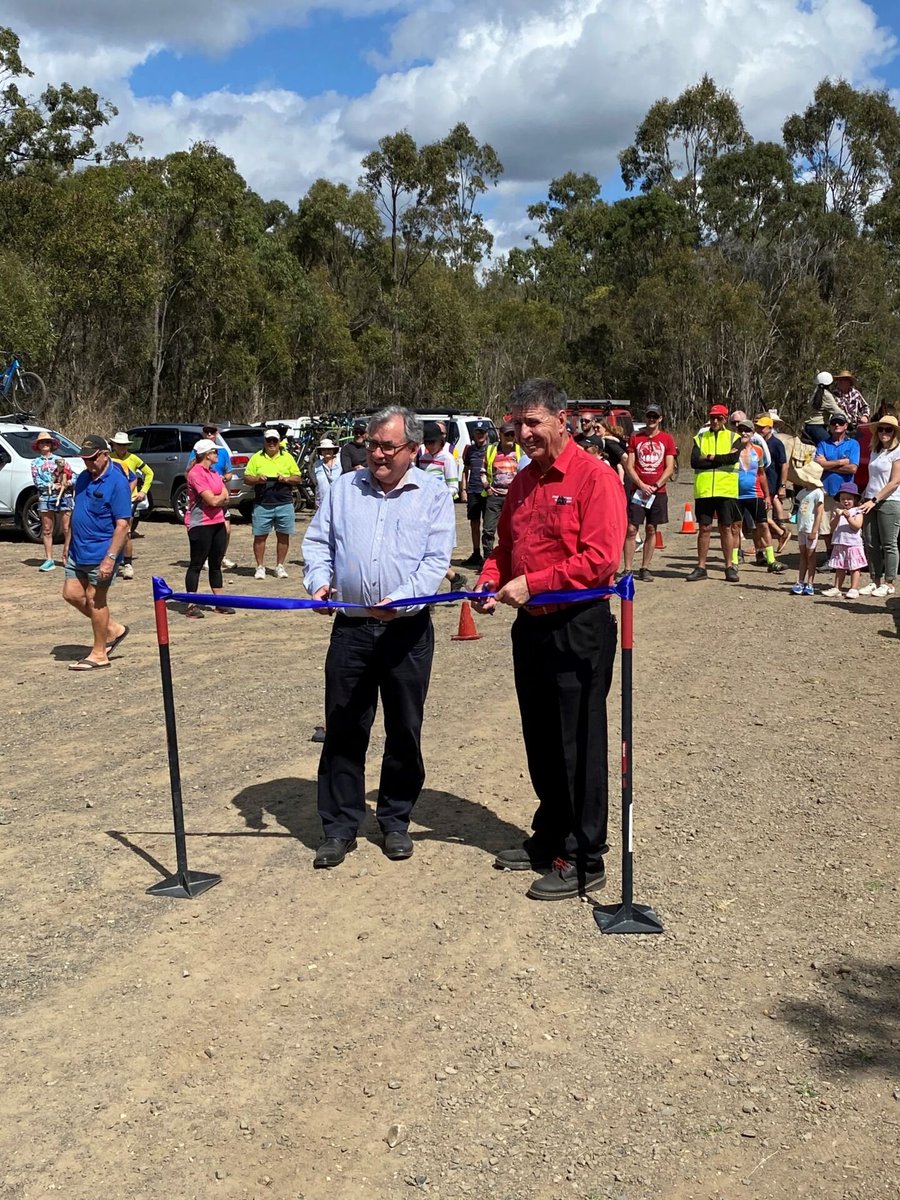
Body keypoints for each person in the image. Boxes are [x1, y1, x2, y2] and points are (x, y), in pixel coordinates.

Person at [474, 378, 626, 901]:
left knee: (578, 743)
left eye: (533, 422)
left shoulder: (596, 479)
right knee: (540, 737)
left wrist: (533, 583)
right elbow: (505, 547)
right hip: (531, 628)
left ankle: (586, 856)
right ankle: (550, 836)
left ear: (564, 420)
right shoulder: (521, 482)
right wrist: (489, 580)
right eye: (517, 423)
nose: (523, 433)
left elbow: (600, 560)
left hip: (577, 626)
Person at [302, 405, 455, 870]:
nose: (378, 454)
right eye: (372, 444)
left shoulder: (432, 492)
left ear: (412, 448)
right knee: (345, 727)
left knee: (404, 728)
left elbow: (435, 560)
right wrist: (319, 581)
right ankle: (339, 827)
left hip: (406, 631)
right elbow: (317, 543)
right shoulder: (345, 488)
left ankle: (394, 821)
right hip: (350, 628)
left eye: (388, 446)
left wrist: (403, 600)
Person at [63, 435, 131, 671]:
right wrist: (67, 543)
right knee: (71, 594)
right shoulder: (83, 478)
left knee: (95, 599)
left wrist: (110, 558)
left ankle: (100, 653)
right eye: (84, 459)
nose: (88, 463)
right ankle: (113, 629)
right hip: (77, 549)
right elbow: (76, 512)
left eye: (92, 458)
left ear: (105, 454)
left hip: (102, 552)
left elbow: (123, 524)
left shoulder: (117, 482)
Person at [687, 404, 742, 582]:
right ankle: (701, 567)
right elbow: (695, 461)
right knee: (704, 528)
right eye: (712, 418)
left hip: (725, 489)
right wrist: (720, 459)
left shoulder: (734, 437)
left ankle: (729, 567)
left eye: (719, 418)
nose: (715, 421)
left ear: (725, 419)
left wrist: (709, 457)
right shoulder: (700, 436)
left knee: (726, 528)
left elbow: (732, 459)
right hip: (704, 491)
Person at [182, 439, 235, 618]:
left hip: (218, 521)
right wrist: (217, 498)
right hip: (201, 523)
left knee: (216, 563)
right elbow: (211, 500)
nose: (217, 455)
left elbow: (225, 496)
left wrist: (217, 498)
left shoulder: (212, 472)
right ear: (206, 454)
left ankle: (219, 602)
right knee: (196, 564)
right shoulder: (196, 473)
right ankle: (191, 604)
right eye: (215, 452)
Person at [623, 403, 676, 581]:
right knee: (631, 528)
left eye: (655, 416)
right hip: (638, 491)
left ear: (660, 418)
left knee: (652, 528)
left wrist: (656, 485)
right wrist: (641, 484)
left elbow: (669, 467)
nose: (651, 420)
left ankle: (645, 567)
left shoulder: (667, 439)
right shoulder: (636, 438)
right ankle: (628, 568)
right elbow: (629, 466)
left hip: (658, 491)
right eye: (649, 416)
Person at [243, 429, 302, 580]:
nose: (271, 443)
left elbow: (297, 478)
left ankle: (280, 566)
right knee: (260, 536)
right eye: (268, 440)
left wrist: (286, 479)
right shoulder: (256, 458)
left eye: (274, 441)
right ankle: (260, 567)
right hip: (262, 503)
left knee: (283, 536)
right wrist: (257, 479)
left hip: (284, 502)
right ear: (264, 441)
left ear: (279, 442)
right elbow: (247, 478)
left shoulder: (287, 457)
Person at [416, 422, 467, 589]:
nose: (429, 446)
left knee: (434, 553)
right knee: (423, 553)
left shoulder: (448, 459)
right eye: (427, 442)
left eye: (432, 442)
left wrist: (437, 499)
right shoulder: (422, 458)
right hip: (423, 511)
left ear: (441, 442)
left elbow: (453, 487)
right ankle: (453, 578)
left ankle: (433, 594)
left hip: (440, 511)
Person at [859, 414, 900, 598]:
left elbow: (894, 482)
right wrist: (865, 497)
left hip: (889, 501)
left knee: (888, 543)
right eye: (881, 429)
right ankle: (875, 580)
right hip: (870, 499)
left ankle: (889, 582)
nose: (884, 432)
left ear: (894, 432)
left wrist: (874, 500)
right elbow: (873, 478)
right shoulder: (875, 450)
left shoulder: (897, 452)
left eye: (888, 429)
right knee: (870, 541)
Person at [735, 418, 783, 573]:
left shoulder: (758, 450)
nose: (743, 433)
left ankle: (771, 560)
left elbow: (762, 473)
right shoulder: (732, 450)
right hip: (735, 494)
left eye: (747, 430)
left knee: (762, 525)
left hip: (755, 494)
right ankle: (734, 560)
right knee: (735, 527)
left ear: (752, 433)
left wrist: (767, 496)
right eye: (740, 430)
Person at [109, 432, 154, 580]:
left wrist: (143, 491)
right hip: (111, 499)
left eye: (125, 445)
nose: (122, 448)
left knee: (126, 532)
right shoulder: (109, 458)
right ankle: (113, 561)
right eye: (119, 445)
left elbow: (149, 473)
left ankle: (128, 564)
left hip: (130, 500)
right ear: (114, 445)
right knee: (111, 531)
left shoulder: (133, 458)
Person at [814, 413, 860, 550]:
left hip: (846, 493)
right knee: (826, 527)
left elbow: (852, 468)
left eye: (840, 423)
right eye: (834, 423)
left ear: (846, 426)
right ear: (829, 426)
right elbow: (818, 465)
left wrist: (828, 465)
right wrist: (840, 462)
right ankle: (830, 555)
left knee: (845, 525)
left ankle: (845, 555)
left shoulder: (853, 444)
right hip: (826, 491)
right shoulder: (823, 444)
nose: (837, 425)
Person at [30, 430, 73, 571]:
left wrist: (68, 483)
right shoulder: (35, 463)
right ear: (38, 445)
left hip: (64, 495)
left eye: (47, 442)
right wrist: (53, 485)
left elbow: (71, 475)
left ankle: (67, 555)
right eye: (42, 442)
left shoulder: (61, 460)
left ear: (52, 444)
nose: (45, 444)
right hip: (45, 497)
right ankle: (49, 559)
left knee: (67, 528)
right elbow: (37, 481)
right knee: (47, 529)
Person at [198, 422, 237, 569]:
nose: (209, 435)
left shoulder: (223, 452)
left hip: (220, 494)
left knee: (226, 529)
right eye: (206, 432)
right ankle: (207, 557)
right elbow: (190, 471)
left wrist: (224, 479)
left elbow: (229, 473)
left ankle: (222, 556)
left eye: (212, 432)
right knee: (208, 530)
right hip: (206, 498)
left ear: (216, 434)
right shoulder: (198, 452)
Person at [481, 420, 521, 557]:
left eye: (512, 434)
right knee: (488, 529)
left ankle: (511, 558)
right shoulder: (491, 451)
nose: (510, 437)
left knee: (514, 529)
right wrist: (487, 488)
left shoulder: (520, 451)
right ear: (500, 435)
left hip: (513, 497)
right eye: (507, 434)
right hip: (494, 496)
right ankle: (487, 558)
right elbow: (483, 471)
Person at [822, 481, 866, 598]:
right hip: (840, 542)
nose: (846, 501)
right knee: (839, 566)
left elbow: (857, 526)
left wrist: (848, 517)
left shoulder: (857, 511)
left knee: (854, 567)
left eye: (849, 499)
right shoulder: (837, 511)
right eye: (843, 499)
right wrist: (837, 516)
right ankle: (837, 587)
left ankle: (854, 588)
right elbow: (832, 526)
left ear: (855, 499)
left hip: (853, 544)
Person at [789, 461, 825, 596]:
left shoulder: (818, 493)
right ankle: (800, 581)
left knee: (811, 555)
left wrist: (815, 530)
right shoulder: (803, 492)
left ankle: (810, 583)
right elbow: (799, 508)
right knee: (803, 555)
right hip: (801, 527)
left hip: (810, 528)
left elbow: (819, 513)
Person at [754, 414, 789, 551]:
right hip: (760, 481)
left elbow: (784, 465)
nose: (760, 429)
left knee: (759, 513)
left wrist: (782, 486)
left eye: (763, 427)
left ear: (770, 428)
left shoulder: (776, 443)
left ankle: (780, 532)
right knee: (759, 513)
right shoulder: (758, 442)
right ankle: (777, 533)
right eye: (758, 427)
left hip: (771, 482)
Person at [460, 419, 491, 567]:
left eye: (482, 432)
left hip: (487, 491)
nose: (480, 435)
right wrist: (463, 490)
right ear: (474, 434)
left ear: (486, 434)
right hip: (473, 490)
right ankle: (476, 552)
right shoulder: (470, 450)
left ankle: (487, 555)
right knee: (474, 523)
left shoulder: (492, 449)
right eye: (477, 432)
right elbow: (465, 471)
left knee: (488, 525)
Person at [804, 371, 845, 445]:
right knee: (832, 445)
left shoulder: (815, 393)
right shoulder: (826, 395)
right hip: (817, 427)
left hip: (809, 426)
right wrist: (849, 420)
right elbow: (837, 411)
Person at [313, 438, 341, 508]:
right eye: (324, 449)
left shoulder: (341, 463)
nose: (327, 451)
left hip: (338, 502)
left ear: (333, 450)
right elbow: (316, 484)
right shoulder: (317, 465)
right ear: (321, 451)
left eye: (329, 449)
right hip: (322, 503)